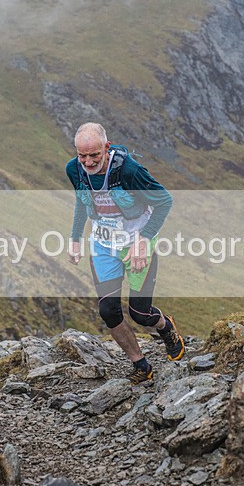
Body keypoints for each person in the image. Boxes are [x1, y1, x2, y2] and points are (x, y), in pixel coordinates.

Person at [65, 122, 184, 385]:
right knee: (108, 310)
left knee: (140, 314)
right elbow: (82, 201)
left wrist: (143, 239)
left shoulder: (129, 170)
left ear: (106, 148)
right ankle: (140, 364)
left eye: (94, 155)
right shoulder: (74, 169)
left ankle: (166, 328)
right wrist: (75, 238)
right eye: (82, 155)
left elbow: (164, 200)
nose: (87, 161)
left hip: (137, 242)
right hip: (103, 245)